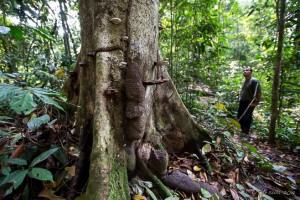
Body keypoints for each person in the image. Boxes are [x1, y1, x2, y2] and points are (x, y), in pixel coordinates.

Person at [237, 67, 262, 136]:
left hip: (250, 102)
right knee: (239, 116)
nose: (245, 71)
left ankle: (245, 133)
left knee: (246, 117)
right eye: (244, 70)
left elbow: (259, 93)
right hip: (242, 102)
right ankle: (242, 131)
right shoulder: (245, 81)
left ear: (251, 72)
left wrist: (256, 103)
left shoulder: (254, 81)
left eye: (247, 70)